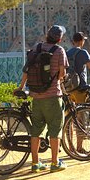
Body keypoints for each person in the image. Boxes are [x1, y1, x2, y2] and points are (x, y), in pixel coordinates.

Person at [16, 25, 68, 172]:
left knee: (36, 131)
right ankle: (54, 162)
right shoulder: (59, 51)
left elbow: (26, 69)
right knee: (55, 130)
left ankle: (35, 163)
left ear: (47, 35)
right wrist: (58, 77)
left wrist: (21, 87)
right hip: (52, 97)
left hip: (36, 96)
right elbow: (62, 74)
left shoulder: (36, 48)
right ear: (59, 38)